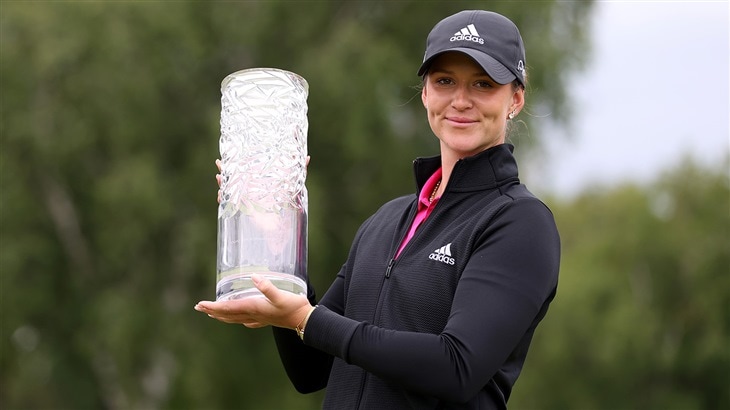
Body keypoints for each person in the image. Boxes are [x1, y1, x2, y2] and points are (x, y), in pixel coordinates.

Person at [195, 9, 560, 409]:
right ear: (425, 93)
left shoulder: (520, 223)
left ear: (515, 99)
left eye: (483, 84)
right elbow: (310, 370)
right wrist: (278, 242)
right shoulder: (386, 222)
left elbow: (456, 368)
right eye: (444, 81)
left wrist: (306, 319)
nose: (460, 100)